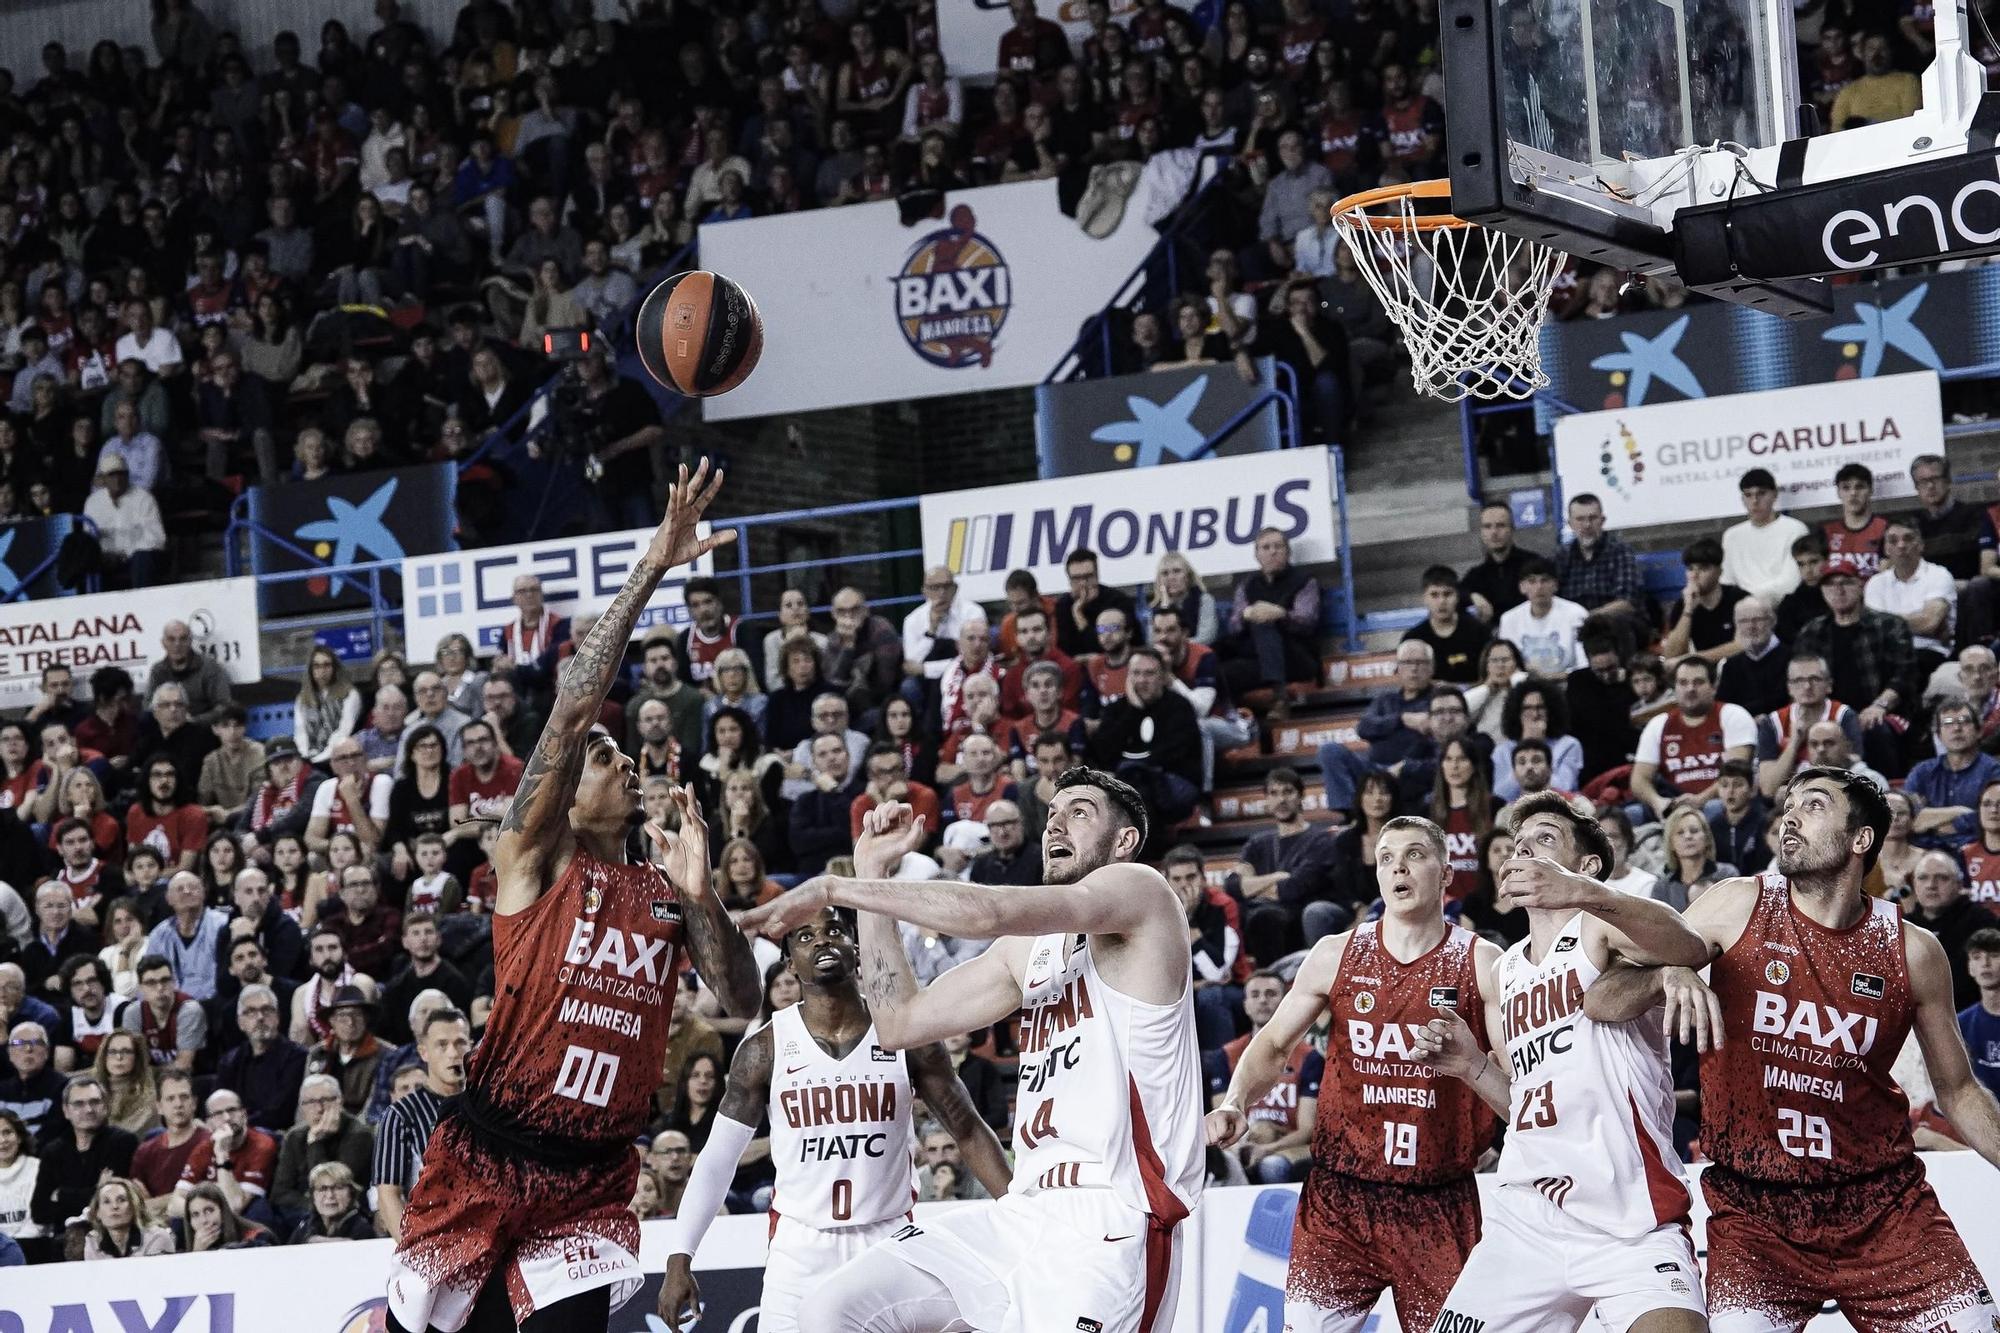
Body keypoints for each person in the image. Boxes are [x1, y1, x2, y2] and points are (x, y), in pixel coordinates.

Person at [386, 464, 761, 1333]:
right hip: (487, 1154)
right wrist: (652, 569)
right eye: (605, 758)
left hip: (590, 1177)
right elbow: (571, 709)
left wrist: (703, 899)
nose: (623, 764)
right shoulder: (531, 859)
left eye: (628, 761)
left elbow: (739, 995)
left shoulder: (665, 889)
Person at [741, 777, 1205, 1332]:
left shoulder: (1143, 892)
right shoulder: (1026, 952)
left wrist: (834, 891)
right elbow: (899, 1023)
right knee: (831, 1310)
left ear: (1124, 841)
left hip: (1113, 1217)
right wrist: (870, 875)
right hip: (1023, 1208)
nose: (1055, 824)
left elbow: (988, 912)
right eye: (1051, 813)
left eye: (1079, 814)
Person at [1583, 767, 2000, 1332]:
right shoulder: (1735, 905)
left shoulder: (1914, 951)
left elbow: (1958, 1091)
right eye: (1789, 803)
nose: (1791, 816)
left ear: (1860, 841)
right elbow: (1602, 1000)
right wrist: (1667, 976)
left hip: (1883, 1208)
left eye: (1815, 804)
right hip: (1755, 1214)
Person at [1412, 793, 1712, 1333]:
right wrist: (1472, 1066)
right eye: (1519, 842)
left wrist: (1585, 894)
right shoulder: (1505, 970)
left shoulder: (1598, 928)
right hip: (1528, 1219)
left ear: (1587, 865)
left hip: (1631, 1222)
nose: (1524, 848)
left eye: (1545, 839)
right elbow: (1525, 1104)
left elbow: (1689, 944)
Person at [658, 907, 1011, 1331]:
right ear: (789, 962)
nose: (822, 941)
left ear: (856, 949)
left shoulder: (906, 1035)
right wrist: (681, 1255)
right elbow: (717, 1160)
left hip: (889, 1238)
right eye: (805, 936)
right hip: (801, 1247)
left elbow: (968, 1129)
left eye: (834, 931)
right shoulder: (764, 1049)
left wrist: (1021, 1216)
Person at [1210, 814, 1499, 1330]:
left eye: (1414, 854)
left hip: (1439, 1199)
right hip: (1340, 1198)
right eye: (1387, 857)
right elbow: (1274, 1042)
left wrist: (1473, 1065)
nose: (1398, 867)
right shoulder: (1335, 953)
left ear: (1446, 871)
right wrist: (1235, 1101)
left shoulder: (1482, 964)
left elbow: (1518, 1098)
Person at [1229, 767, 1346, 961]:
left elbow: (1293, 888)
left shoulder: (1320, 840)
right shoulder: (1258, 843)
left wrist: (1252, 885)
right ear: (1266, 799)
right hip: (1264, 915)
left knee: (1265, 916)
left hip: (1298, 917)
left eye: (1288, 792)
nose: (1281, 800)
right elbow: (1233, 887)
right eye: (1273, 793)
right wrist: (1276, 877)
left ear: (1301, 796)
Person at [373, 1008, 469, 1240]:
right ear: (423, 1052)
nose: (453, 1053)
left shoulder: (491, 1105)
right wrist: (413, 1249)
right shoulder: (401, 1114)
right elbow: (388, 1194)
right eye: (442, 1045)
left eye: (460, 1043)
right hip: (434, 1239)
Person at [1085, 647, 1204, 828]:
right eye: (1136, 673)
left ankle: (1144, 852)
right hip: (1125, 782)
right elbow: (1104, 753)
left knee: (1140, 792)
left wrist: (1136, 768)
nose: (1142, 680)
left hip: (1172, 781)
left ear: (1163, 677)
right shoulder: (1116, 710)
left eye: (1149, 674)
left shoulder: (1179, 707)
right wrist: (1133, 711)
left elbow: (1173, 755)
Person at [1630, 657, 1757, 822]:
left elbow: (1736, 773)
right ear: (1674, 688)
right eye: (1683, 683)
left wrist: (1701, 799)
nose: (1690, 689)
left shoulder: (1733, 715)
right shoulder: (1659, 724)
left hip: (1719, 802)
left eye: (1698, 682)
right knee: (1631, 813)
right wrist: (1658, 802)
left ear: (1713, 686)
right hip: (1674, 803)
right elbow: (1639, 779)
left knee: (1714, 808)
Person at [1217, 527, 1323, 714]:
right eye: (1265, 548)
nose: (1272, 551)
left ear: (1287, 552)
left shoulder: (1305, 581)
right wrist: (1245, 615)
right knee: (1222, 672)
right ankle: (1237, 721)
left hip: (1296, 658)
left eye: (1278, 546)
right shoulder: (1247, 585)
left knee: (1263, 621)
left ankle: (1280, 697)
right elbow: (1234, 627)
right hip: (1258, 660)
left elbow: (1307, 622)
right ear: (1257, 555)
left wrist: (1281, 614)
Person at [30, 1074, 138, 1236]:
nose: (88, 1109)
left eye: (94, 1102)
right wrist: (96, 1190)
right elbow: (39, 1212)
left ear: (105, 1106)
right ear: (66, 1111)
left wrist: (61, 1195)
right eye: (79, 1104)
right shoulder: (52, 1151)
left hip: (109, 1233)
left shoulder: (122, 1142)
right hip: (65, 1239)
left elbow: (116, 1203)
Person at [1866, 518, 1958, 682]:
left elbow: (1929, 623)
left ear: (1921, 545)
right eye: (1893, 541)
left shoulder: (1939, 575)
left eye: (1908, 539)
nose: (1901, 545)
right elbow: (1873, 628)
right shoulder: (1875, 583)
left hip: (1929, 653)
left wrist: (1886, 620)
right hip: (1887, 654)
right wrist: (1917, 620)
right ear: (1886, 549)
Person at [1903, 696, 2000, 843]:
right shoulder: (1921, 772)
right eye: (1948, 723)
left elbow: (1993, 817)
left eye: (1964, 722)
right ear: (1938, 735)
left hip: (1975, 850)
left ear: (1979, 731)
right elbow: (1909, 819)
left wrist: (1934, 820)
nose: (1956, 729)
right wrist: (1960, 812)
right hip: (1926, 853)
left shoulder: (1993, 771)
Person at [127, 1070, 207, 1221]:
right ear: (159, 1107)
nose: (178, 1104)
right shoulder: (145, 1151)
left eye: (184, 1097)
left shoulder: (209, 1143)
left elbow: (206, 1197)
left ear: (194, 1103)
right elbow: (139, 1204)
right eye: (170, 1099)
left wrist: (157, 1204)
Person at [1721, 467, 1808, 602]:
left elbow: (1791, 581)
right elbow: (1726, 582)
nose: (1755, 501)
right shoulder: (1732, 536)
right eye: (1748, 495)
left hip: (1783, 604)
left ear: (1774, 495)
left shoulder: (1795, 529)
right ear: (1742, 499)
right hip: (1741, 609)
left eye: (1761, 494)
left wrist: (1751, 599)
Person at [1498, 558, 1589, 680]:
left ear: (1555, 585)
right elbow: (1507, 665)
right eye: (1532, 581)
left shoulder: (1576, 613)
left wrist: (1554, 677)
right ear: (1522, 587)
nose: (1539, 587)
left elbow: (1584, 664)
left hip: (1569, 682)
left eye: (1545, 580)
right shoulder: (1509, 619)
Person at [1661, 537, 1747, 666]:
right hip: (1702, 672)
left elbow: (1742, 645)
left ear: (1719, 571)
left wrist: (1692, 658)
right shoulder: (1682, 604)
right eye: (1690, 568)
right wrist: (1688, 610)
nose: (1694, 575)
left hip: (1737, 666)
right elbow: (1671, 655)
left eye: (1703, 568)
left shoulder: (1739, 598)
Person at [1405, 565, 1489, 684]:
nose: (1442, 601)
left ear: (1457, 596)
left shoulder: (1479, 632)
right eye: (1434, 595)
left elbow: (1489, 678)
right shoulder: (1414, 638)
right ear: (1424, 598)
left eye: (1447, 594)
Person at [1053, 547, 1141, 660]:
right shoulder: (1063, 605)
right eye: (1076, 578)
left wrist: (1079, 615)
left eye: (1088, 577)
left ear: (1097, 575)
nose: (1083, 583)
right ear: (1069, 580)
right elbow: (1065, 649)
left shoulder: (1118, 601)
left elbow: (1108, 646)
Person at [1460, 502, 1542, 623]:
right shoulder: (1477, 575)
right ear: (1482, 532)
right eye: (1487, 526)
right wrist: (1472, 596)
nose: (1494, 532)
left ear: (1512, 529)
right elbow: (1455, 592)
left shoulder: (1534, 564)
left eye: (1500, 525)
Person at [1713, 597, 1789, 720]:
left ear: (1772, 621)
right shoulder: (1730, 666)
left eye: (1757, 620)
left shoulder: (1791, 659)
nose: (1751, 626)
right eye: (1743, 621)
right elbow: (1723, 708)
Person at [81, 1176, 173, 1259]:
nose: (115, 1206)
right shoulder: (92, 1242)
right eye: (106, 1201)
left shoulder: (157, 1237)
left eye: (121, 1200)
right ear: (97, 1212)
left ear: (134, 1207)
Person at [294, 1160, 377, 1242]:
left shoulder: (363, 1229)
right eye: (322, 1189)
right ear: (313, 1196)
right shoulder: (305, 1227)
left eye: (338, 1188)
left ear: (351, 1193)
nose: (330, 1195)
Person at [1961, 928, 2000, 1100]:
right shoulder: (1960, 1024)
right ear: (1970, 967)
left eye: (1994, 955)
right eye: (1977, 957)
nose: (1985, 963)